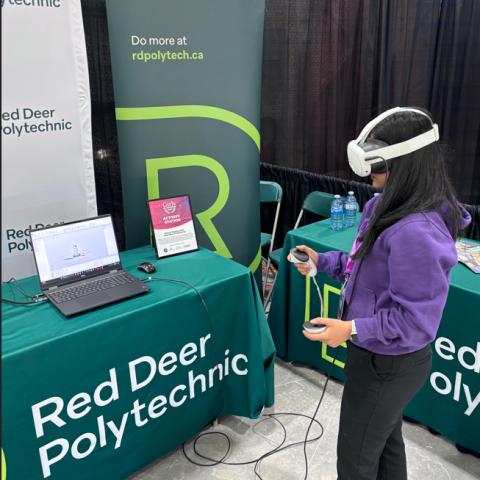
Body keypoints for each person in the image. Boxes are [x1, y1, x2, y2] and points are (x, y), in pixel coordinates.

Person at [291, 107, 471, 480]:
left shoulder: (416, 231)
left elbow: (415, 322)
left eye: (378, 166)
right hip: (375, 355)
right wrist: (322, 262)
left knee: (355, 461)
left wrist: (351, 329)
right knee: (386, 441)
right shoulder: (383, 203)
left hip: (389, 365)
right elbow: (363, 267)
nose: (370, 175)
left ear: (407, 164)